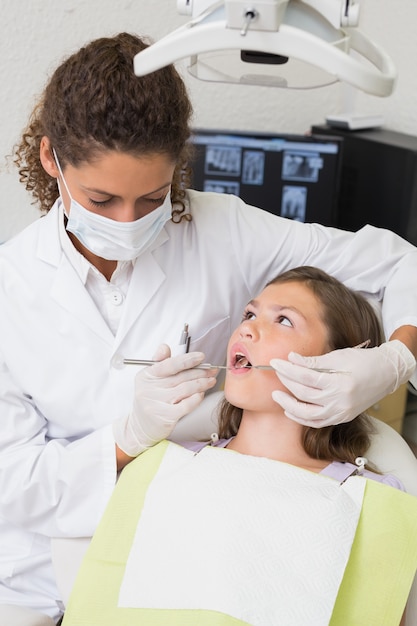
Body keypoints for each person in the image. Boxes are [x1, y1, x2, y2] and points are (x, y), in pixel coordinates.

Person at [0, 31, 416, 622]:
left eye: (150, 199)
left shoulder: (226, 232)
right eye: (100, 200)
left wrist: (394, 359)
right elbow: (11, 483)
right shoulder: (9, 290)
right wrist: (126, 438)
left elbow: (400, 263)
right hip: (33, 575)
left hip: (193, 542)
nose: (127, 222)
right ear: (51, 161)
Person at [61, 267, 417, 626]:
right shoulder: (158, 468)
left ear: (340, 363)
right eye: (249, 314)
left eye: (284, 321)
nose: (247, 328)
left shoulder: (372, 504)